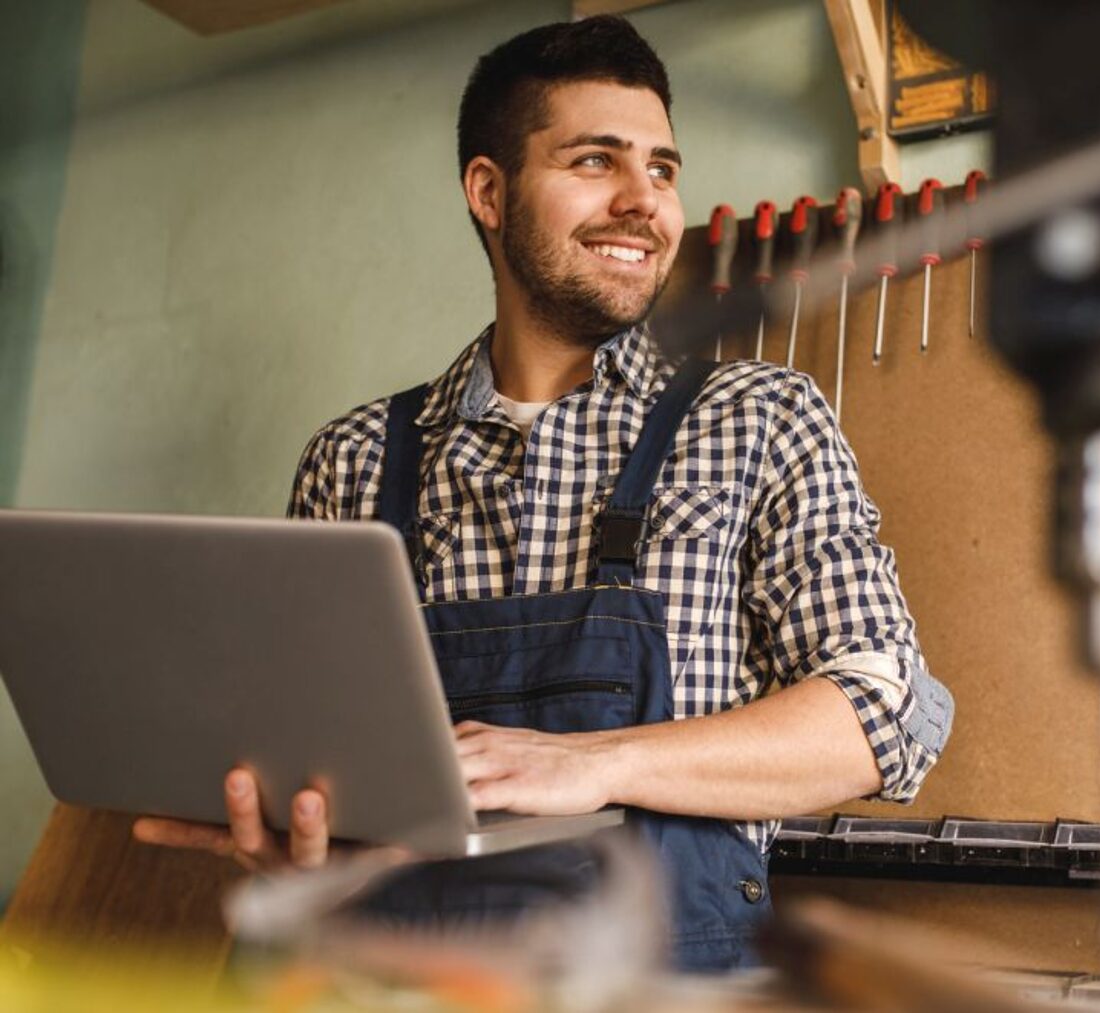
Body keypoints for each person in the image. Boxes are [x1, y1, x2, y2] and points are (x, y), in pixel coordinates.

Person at [136, 15, 952, 970]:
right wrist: (297, 829)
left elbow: (884, 709)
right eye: (596, 161)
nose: (643, 202)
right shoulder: (351, 460)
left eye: (663, 169)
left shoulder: (759, 419)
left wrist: (596, 763)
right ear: (490, 190)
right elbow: (308, 749)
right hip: (392, 981)